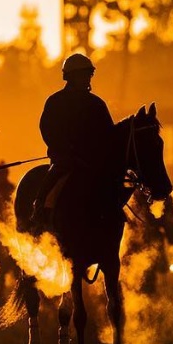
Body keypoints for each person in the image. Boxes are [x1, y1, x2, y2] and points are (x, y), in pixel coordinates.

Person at [29, 52, 115, 233]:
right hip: (65, 160)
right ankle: (39, 210)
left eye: (88, 75)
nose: (87, 79)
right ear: (70, 77)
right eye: (83, 75)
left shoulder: (97, 104)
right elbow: (48, 130)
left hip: (92, 161)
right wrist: (65, 151)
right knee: (52, 181)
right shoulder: (55, 102)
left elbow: (108, 133)